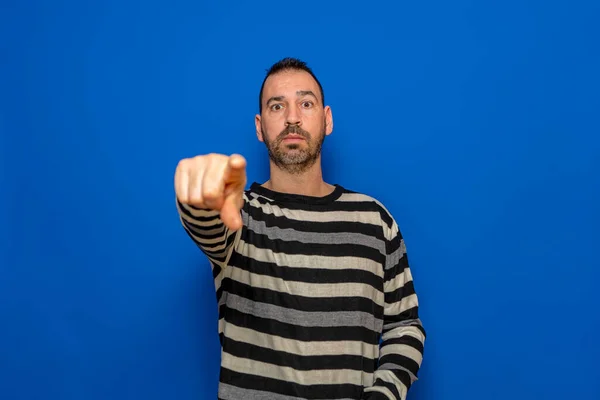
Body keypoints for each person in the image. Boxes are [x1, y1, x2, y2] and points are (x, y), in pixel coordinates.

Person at [174, 57, 426, 400]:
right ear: (260, 127)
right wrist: (201, 199)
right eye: (278, 106)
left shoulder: (374, 220)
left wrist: (383, 395)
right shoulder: (241, 214)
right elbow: (208, 226)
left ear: (327, 119)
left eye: (306, 103)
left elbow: (404, 326)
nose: (293, 117)